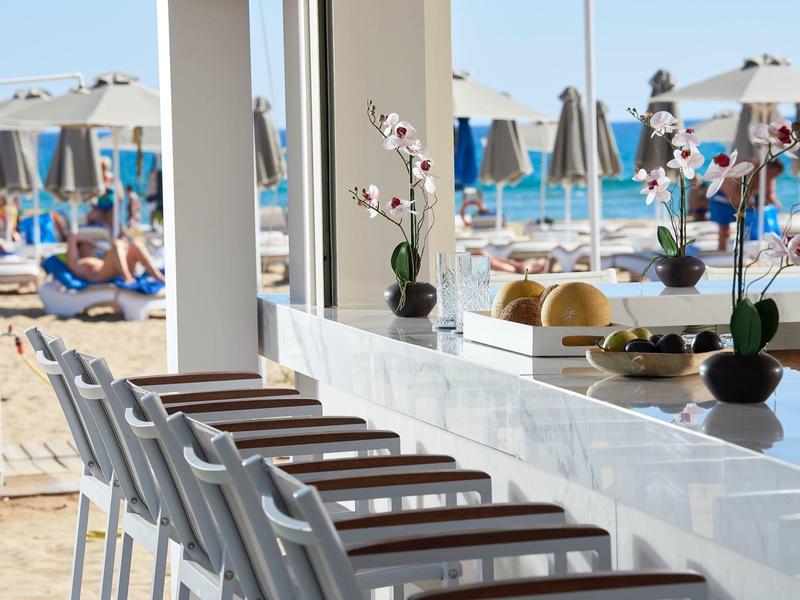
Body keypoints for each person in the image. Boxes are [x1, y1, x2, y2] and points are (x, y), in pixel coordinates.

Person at [708, 159, 783, 251]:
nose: (771, 178)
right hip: (723, 197)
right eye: (771, 175)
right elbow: (733, 193)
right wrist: (748, 205)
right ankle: (722, 251)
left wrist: (774, 205)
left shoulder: (768, 176)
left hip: (742, 200)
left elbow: (769, 194)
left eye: (774, 177)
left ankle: (739, 250)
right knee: (724, 229)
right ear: (767, 169)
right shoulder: (748, 170)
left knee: (747, 226)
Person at [65, 233, 164, 285]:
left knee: (135, 244)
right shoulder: (79, 262)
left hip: (114, 271)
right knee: (117, 244)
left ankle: (157, 276)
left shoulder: (96, 257)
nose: (92, 245)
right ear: (80, 247)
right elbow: (71, 239)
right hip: (103, 276)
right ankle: (127, 278)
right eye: (88, 244)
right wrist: (74, 239)